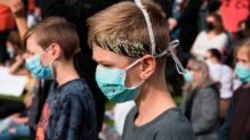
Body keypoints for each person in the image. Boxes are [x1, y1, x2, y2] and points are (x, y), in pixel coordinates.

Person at [87, 1, 195, 140]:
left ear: (146, 66)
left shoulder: (172, 132)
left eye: (107, 65)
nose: (100, 72)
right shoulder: (133, 115)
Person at [24, 17, 97, 140]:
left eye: (32, 53)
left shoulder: (72, 96)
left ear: (54, 51)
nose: (28, 59)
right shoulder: (57, 85)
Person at [181, 58, 220, 140]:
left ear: (201, 73)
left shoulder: (208, 92)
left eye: (191, 70)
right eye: (188, 69)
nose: (188, 72)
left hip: (204, 137)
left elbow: (208, 120)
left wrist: (187, 130)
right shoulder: (189, 89)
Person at [219, 38, 250, 140]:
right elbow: (227, 126)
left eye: (244, 61)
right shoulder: (239, 92)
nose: (238, 65)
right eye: (237, 60)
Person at [204, 48, 233, 119]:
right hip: (228, 98)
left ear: (214, 58)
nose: (205, 60)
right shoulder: (227, 68)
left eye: (206, 58)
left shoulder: (214, 67)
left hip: (220, 100)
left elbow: (213, 81)